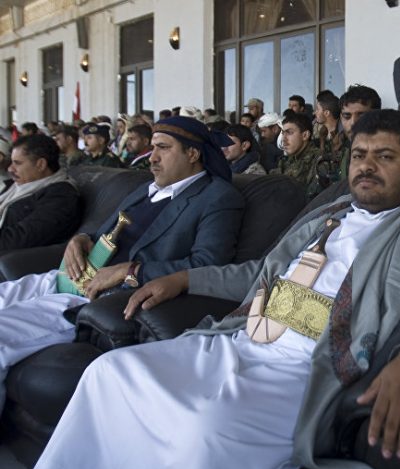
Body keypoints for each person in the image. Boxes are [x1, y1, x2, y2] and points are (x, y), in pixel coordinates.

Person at [20, 109, 400, 469]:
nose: (366, 166)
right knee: (108, 373)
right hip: (241, 338)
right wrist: (182, 278)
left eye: (385, 156)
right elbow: (259, 274)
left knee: (204, 431)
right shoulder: (327, 214)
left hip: (308, 364)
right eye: (359, 155)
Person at [0, 116, 244, 413]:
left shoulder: (216, 197)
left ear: (192, 154)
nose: (152, 157)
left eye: (163, 148)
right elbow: (103, 233)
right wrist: (81, 239)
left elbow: (207, 266)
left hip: (94, 297)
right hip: (66, 277)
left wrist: (130, 271)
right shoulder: (146, 189)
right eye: (153, 147)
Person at [0, 134, 80, 251]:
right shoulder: (16, 185)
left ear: (41, 164)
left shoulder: (60, 196)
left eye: (17, 163)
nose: (10, 169)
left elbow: (18, 239)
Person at [271, 113, 320, 199]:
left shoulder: (319, 161)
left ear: (305, 135)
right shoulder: (288, 159)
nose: (283, 139)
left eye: (289, 133)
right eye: (283, 133)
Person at [338, 84, 382, 178]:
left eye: (362, 116)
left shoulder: (391, 153)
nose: (353, 123)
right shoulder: (341, 152)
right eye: (347, 116)